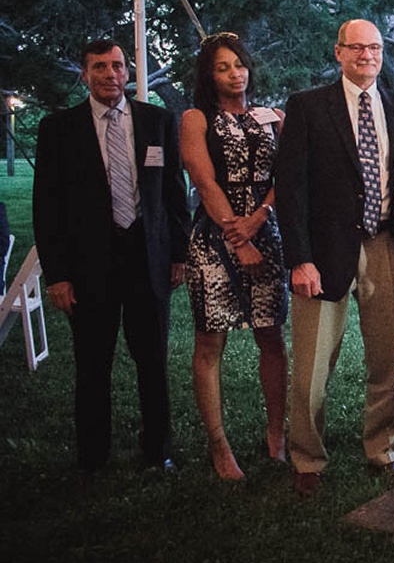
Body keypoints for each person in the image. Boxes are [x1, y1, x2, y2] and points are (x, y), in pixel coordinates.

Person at [33, 38, 190, 485]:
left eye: (118, 65)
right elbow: (47, 207)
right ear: (84, 74)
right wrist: (58, 275)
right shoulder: (59, 129)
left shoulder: (157, 121)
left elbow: (174, 196)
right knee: (92, 362)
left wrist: (177, 253)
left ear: (128, 72)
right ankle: (92, 456)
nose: (110, 74)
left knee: (153, 359)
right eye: (99, 66)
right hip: (89, 265)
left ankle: (158, 452)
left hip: (148, 257)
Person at [275, 19, 394, 498]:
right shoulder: (307, 106)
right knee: (313, 366)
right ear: (338, 52)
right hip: (323, 253)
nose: (366, 55)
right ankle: (308, 459)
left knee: (391, 359)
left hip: (386, 246)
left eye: (374, 47)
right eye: (356, 47)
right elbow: (291, 189)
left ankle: (383, 449)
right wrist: (299, 258)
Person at [180, 33, 289, 480]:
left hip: (266, 232)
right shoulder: (195, 118)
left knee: (272, 339)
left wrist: (260, 219)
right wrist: (237, 240)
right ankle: (219, 444)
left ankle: (277, 433)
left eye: (239, 64)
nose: (234, 73)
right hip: (215, 236)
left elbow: (289, 173)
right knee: (210, 342)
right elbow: (205, 183)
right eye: (223, 67)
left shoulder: (272, 117)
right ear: (209, 74)